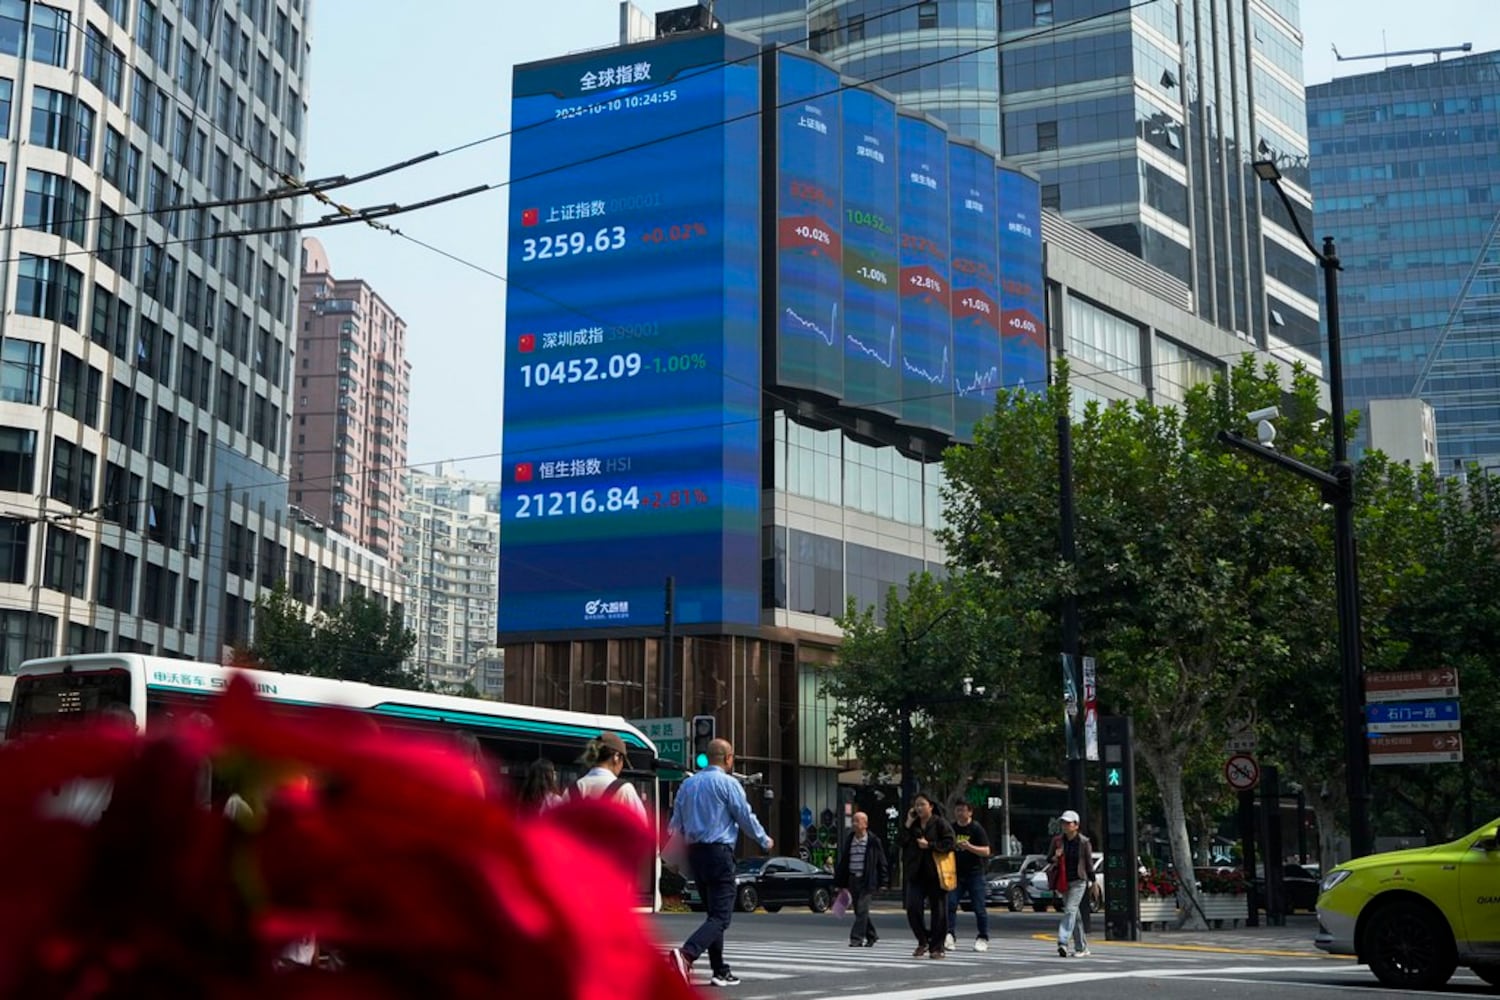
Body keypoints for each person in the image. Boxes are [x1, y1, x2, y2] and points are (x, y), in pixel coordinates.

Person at [666, 738, 773, 988]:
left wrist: (671, 855)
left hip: (695, 855)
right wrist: (764, 839)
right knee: (722, 917)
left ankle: (720, 970)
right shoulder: (729, 783)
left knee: (713, 914)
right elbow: (745, 816)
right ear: (728, 758)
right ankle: (686, 954)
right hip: (719, 853)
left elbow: (675, 824)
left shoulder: (688, 785)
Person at [900, 792, 956, 960]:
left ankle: (937, 947)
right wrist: (908, 823)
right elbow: (900, 842)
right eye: (916, 805)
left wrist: (930, 845)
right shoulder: (913, 825)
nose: (919, 808)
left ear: (930, 806)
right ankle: (923, 940)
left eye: (922, 804)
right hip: (916, 873)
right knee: (913, 908)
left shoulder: (939, 823)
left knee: (939, 912)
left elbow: (950, 842)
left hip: (936, 873)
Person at [834, 810, 889, 948]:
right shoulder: (850, 839)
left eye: (857, 821)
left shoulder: (873, 841)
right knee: (859, 911)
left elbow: (882, 862)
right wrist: (840, 882)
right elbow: (844, 862)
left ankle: (856, 938)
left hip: (867, 880)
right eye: (853, 820)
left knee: (863, 908)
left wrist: (883, 881)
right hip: (853, 879)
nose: (854, 824)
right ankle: (872, 935)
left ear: (865, 824)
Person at [945, 801, 992, 952]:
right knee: (950, 904)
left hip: (975, 873)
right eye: (957, 810)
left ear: (970, 812)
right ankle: (949, 934)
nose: (959, 813)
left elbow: (986, 851)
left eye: (962, 810)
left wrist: (969, 847)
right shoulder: (952, 828)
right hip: (956, 873)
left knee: (979, 907)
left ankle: (983, 937)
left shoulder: (976, 829)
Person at [1049, 809, 1097, 957]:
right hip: (1063, 881)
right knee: (1074, 915)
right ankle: (1081, 947)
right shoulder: (1057, 841)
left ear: (1076, 825)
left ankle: (1062, 941)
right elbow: (1048, 858)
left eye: (1068, 823)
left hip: (1078, 880)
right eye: (1063, 822)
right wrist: (1055, 857)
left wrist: (1093, 881)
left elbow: (1088, 864)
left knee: (1070, 910)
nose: (1065, 825)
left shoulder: (1084, 842)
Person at [573, 732, 647, 820]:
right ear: (616, 757)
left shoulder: (573, 790)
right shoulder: (624, 790)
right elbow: (641, 827)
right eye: (622, 760)